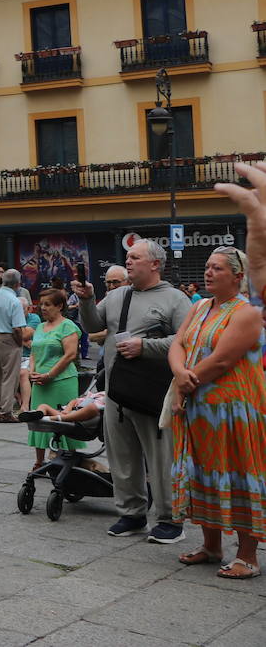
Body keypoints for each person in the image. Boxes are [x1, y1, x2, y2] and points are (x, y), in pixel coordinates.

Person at [73, 238, 191, 542]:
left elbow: (187, 342)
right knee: (122, 456)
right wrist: (87, 299)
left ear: (154, 264)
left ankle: (169, 518)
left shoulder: (176, 299)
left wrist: (146, 346)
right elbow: (92, 325)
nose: (128, 261)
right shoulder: (117, 295)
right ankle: (132, 514)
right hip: (118, 391)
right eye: (127, 257)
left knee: (161, 458)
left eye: (135, 257)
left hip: (154, 393)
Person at [168, 247, 266, 579]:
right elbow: (177, 343)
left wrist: (185, 382)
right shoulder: (198, 307)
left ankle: (248, 556)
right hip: (198, 407)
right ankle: (211, 546)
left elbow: (224, 360)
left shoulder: (248, 312)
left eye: (218, 268)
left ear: (238, 276)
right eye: (208, 267)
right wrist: (180, 373)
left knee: (237, 474)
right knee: (204, 473)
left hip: (233, 411)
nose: (209, 272)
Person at [25, 289, 84, 471]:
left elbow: (70, 355)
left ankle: (69, 460)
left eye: (47, 304)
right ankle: (39, 461)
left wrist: (50, 375)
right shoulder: (41, 327)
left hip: (61, 380)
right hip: (40, 381)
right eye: (41, 304)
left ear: (59, 306)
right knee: (39, 420)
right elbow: (34, 352)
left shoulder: (68, 326)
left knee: (64, 419)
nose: (43, 308)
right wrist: (31, 371)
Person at [0, 269, 29, 423]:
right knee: (10, 376)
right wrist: (19, 342)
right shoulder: (14, 300)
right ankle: (6, 411)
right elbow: (17, 328)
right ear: (18, 284)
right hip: (7, 337)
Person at [86, 265, 128, 358]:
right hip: (107, 357)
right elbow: (92, 336)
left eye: (116, 282)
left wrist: (109, 332)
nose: (112, 286)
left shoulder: (133, 300)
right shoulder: (106, 301)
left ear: (128, 282)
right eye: (108, 282)